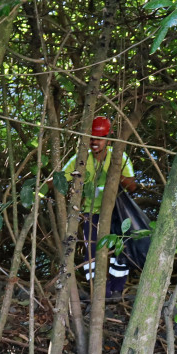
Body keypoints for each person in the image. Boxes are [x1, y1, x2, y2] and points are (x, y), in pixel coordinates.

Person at [50, 116, 138, 298]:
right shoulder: (80, 159)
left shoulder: (119, 157)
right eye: (91, 138)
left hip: (116, 214)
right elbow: (60, 178)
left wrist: (114, 172)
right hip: (91, 213)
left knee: (120, 251)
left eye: (99, 137)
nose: (95, 142)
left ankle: (116, 290)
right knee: (91, 253)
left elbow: (132, 186)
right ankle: (99, 293)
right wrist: (39, 189)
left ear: (108, 138)